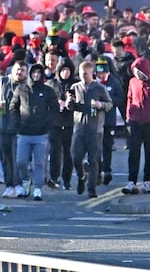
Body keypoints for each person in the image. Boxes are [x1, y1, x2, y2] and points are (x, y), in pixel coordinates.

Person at [10, 64, 58, 201]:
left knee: (39, 163)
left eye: (38, 73)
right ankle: (26, 181)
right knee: (21, 161)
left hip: (41, 133)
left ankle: (37, 188)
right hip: (24, 132)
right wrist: (16, 123)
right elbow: (13, 106)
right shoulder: (21, 89)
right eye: (34, 73)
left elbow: (54, 108)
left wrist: (48, 124)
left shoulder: (48, 91)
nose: (36, 75)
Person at [66, 60, 113, 199]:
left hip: (95, 128)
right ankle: (81, 176)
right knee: (75, 156)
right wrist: (69, 101)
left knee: (93, 160)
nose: (83, 77)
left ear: (92, 73)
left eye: (86, 74)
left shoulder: (99, 88)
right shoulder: (75, 87)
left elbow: (109, 104)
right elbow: (70, 107)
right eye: (81, 74)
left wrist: (101, 105)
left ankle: (91, 188)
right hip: (79, 127)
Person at [0, 60, 27, 198]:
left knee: (16, 159)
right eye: (18, 69)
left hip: (17, 129)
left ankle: (19, 184)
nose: (19, 72)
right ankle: (9, 186)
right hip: (0, 126)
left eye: (22, 70)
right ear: (12, 70)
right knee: (4, 158)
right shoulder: (1, 81)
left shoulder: (26, 87)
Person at [122, 57, 150, 195]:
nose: (136, 73)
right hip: (135, 120)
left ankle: (147, 181)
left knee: (149, 152)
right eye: (134, 70)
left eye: (138, 70)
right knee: (134, 151)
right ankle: (131, 182)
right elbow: (129, 98)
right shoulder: (132, 82)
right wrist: (128, 114)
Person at [46, 58, 78, 190]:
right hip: (55, 123)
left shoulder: (76, 85)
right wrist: (56, 104)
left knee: (68, 153)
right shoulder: (51, 84)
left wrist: (70, 103)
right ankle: (54, 177)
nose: (65, 73)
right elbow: (46, 102)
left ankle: (67, 180)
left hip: (70, 123)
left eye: (68, 70)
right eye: (63, 70)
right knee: (55, 152)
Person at [95, 56, 124, 186]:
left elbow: (120, 98)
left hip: (108, 120)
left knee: (107, 147)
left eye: (103, 73)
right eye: (99, 73)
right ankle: (96, 172)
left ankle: (107, 170)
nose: (101, 75)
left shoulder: (114, 82)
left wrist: (108, 101)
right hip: (94, 121)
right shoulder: (94, 83)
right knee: (95, 148)